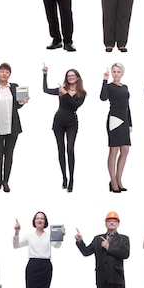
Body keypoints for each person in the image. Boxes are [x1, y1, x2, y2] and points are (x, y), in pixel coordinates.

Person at [43, 64, 86, 192]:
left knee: (70, 149)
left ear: (77, 78)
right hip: (58, 122)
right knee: (61, 149)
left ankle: (72, 179)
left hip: (72, 122)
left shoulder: (82, 93)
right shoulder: (61, 89)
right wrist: (45, 74)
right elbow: (45, 89)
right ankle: (64, 178)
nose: (70, 77)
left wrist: (65, 94)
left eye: (73, 75)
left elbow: (75, 106)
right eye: (68, 76)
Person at [0, 63, 27, 192]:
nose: (4, 74)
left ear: (10, 74)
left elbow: (18, 105)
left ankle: (6, 181)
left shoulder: (15, 87)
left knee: (9, 154)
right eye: (2, 71)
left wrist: (22, 102)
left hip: (12, 126)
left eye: (7, 72)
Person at [100, 63, 131, 193]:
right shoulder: (109, 86)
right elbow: (103, 98)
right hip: (114, 120)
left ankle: (119, 179)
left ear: (122, 73)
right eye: (114, 71)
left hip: (124, 120)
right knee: (114, 151)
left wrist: (130, 123)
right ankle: (113, 181)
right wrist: (104, 80)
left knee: (125, 150)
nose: (116, 73)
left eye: (118, 71)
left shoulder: (125, 87)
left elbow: (127, 106)